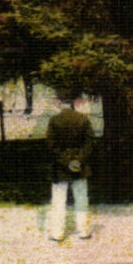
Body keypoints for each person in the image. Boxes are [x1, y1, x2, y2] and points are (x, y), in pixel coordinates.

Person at [45, 95, 95, 242]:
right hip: (80, 166)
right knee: (81, 198)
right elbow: (90, 143)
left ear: (60, 103)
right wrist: (78, 160)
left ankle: (57, 233)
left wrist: (66, 161)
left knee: (58, 200)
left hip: (60, 167)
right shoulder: (83, 119)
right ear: (74, 103)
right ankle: (84, 231)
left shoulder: (54, 120)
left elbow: (51, 146)